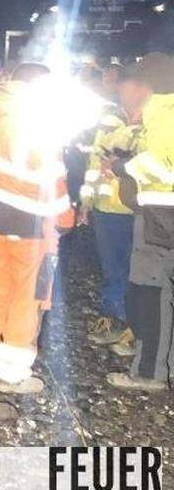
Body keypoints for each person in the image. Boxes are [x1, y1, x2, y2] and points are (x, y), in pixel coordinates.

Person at [0, 62, 75, 393]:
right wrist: (66, 219)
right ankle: (11, 373)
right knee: (28, 297)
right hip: (34, 228)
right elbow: (53, 181)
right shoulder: (41, 122)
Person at [106, 53, 174, 391]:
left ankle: (149, 373)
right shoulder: (161, 114)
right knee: (160, 291)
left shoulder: (164, 114)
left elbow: (165, 166)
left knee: (151, 293)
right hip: (159, 213)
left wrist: (124, 167)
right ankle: (163, 365)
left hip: (161, 215)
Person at [81, 64, 150, 353]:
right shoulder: (108, 120)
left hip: (137, 209)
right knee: (113, 268)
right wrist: (85, 203)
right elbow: (94, 165)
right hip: (106, 209)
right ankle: (115, 319)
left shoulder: (152, 124)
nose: (117, 90)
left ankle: (131, 324)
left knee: (136, 270)